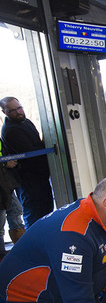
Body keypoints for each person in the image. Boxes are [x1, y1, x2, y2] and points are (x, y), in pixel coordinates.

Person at [0, 96, 55, 227]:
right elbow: (32, 151)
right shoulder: (11, 130)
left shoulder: (26, 122)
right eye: (12, 110)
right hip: (28, 181)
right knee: (34, 217)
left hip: (39, 178)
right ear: (4, 112)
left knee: (46, 212)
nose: (18, 112)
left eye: (19, 108)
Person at [0, 140, 25, 250]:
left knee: (16, 211)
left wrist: (7, 160)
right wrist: (5, 163)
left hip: (5, 183)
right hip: (3, 184)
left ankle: (21, 249)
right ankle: (1, 256)